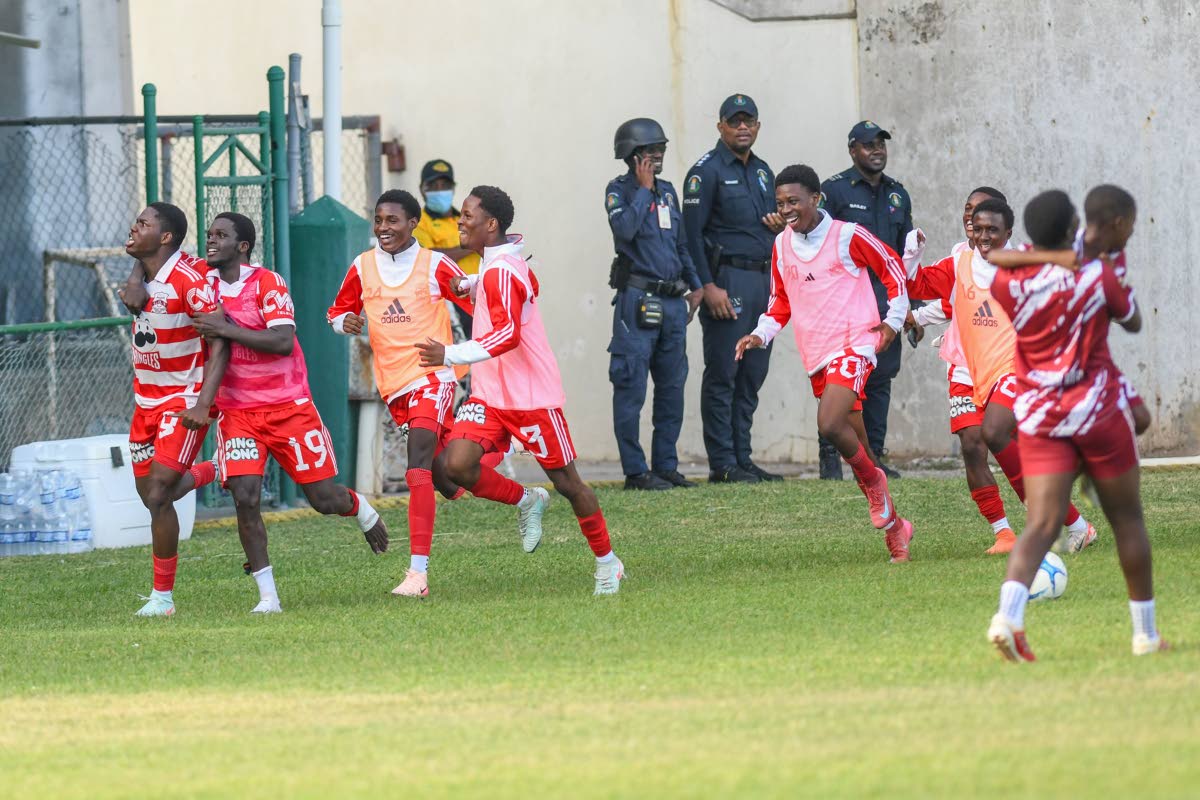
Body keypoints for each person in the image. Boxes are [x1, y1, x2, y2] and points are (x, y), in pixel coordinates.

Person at [328, 190, 549, 599]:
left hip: (433, 378)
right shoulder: (361, 267)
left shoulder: (433, 264)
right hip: (393, 386)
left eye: (392, 220)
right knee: (449, 477)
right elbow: (335, 313)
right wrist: (347, 323)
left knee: (418, 471)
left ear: (413, 224)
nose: (383, 228)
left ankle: (417, 575)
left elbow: (474, 297)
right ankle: (526, 498)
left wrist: (503, 283)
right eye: (378, 220)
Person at [169, 212, 387, 613]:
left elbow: (283, 341)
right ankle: (268, 597)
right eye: (209, 235)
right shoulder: (201, 282)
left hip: (289, 408)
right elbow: (161, 264)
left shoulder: (268, 283)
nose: (211, 241)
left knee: (323, 499)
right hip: (238, 412)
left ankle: (361, 508)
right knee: (246, 497)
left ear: (243, 246)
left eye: (221, 235)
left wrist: (225, 328)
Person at [415, 185, 625, 595]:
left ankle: (607, 563)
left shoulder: (503, 270)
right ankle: (527, 500)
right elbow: (521, 282)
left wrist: (449, 353)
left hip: (531, 399)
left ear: (490, 225)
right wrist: (473, 284)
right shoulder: (500, 263)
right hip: (491, 396)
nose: (461, 220)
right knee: (454, 467)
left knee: (569, 485)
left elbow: (508, 333)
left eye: (469, 216)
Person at [985, 186, 1166, 661]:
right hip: (1096, 411)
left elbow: (1005, 258)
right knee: (1127, 519)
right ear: (1073, 231)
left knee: (1041, 523)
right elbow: (1130, 321)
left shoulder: (1008, 283)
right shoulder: (1095, 275)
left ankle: (1007, 616)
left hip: (1043, 418)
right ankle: (1145, 634)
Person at [735, 165, 914, 562]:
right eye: (780, 203)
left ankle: (877, 488)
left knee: (829, 423)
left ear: (816, 199)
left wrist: (893, 321)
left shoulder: (847, 236)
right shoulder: (781, 245)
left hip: (855, 345)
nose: (787, 209)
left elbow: (892, 270)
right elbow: (779, 302)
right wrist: (758, 334)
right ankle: (897, 532)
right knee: (860, 451)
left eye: (794, 201)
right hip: (817, 355)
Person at [905, 199, 1097, 554]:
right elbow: (916, 285)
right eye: (977, 229)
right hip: (977, 373)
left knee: (993, 432)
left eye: (992, 230)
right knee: (988, 444)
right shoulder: (960, 262)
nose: (983, 236)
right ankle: (1070, 525)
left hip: (1019, 366)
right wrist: (911, 255)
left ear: (1008, 232)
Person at [118, 202, 229, 617]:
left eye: (143, 224)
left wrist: (203, 404)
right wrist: (135, 274)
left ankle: (162, 598)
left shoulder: (191, 278)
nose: (133, 227)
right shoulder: (143, 273)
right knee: (152, 497)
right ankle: (215, 469)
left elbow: (219, 340)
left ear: (165, 237)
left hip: (183, 400)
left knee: (162, 490)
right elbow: (147, 270)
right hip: (144, 401)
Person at [905, 187, 1024, 553]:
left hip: (1006, 365)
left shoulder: (1020, 263)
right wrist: (916, 314)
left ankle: (1055, 515)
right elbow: (945, 300)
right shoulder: (959, 258)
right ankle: (1003, 533)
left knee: (1008, 440)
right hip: (963, 366)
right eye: (967, 210)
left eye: (980, 212)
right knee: (973, 446)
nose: (971, 217)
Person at [683, 94, 786, 484]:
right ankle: (722, 463)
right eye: (734, 121)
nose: (743, 127)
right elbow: (690, 236)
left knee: (752, 373)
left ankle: (743, 458)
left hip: (764, 281)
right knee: (725, 371)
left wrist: (781, 225)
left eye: (749, 121)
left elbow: (774, 222)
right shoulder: (705, 172)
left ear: (758, 126)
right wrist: (706, 286)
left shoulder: (763, 171)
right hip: (727, 282)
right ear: (721, 127)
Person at [605, 118, 703, 490]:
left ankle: (666, 466)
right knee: (631, 388)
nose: (658, 154)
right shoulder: (618, 191)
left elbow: (680, 246)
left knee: (672, 386)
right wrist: (643, 191)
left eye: (661, 148)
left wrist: (694, 285)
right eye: (651, 150)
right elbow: (624, 231)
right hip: (637, 302)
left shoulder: (669, 193)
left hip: (673, 304)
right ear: (632, 156)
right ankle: (636, 471)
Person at [820, 121, 913, 480]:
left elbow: (907, 254)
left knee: (881, 379)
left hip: (887, 302)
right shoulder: (835, 191)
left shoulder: (897, 194)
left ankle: (874, 458)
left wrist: (912, 308)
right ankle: (831, 464)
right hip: (846, 303)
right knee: (841, 382)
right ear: (852, 150)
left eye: (880, 145)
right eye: (868, 145)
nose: (876, 150)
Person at [413, 159, 480, 338]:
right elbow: (430, 257)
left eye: (445, 185)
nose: (439, 190)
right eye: (433, 185)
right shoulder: (418, 223)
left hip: (479, 297)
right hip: (448, 302)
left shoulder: (466, 219)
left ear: (453, 188)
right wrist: (473, 244)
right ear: (422, 189)